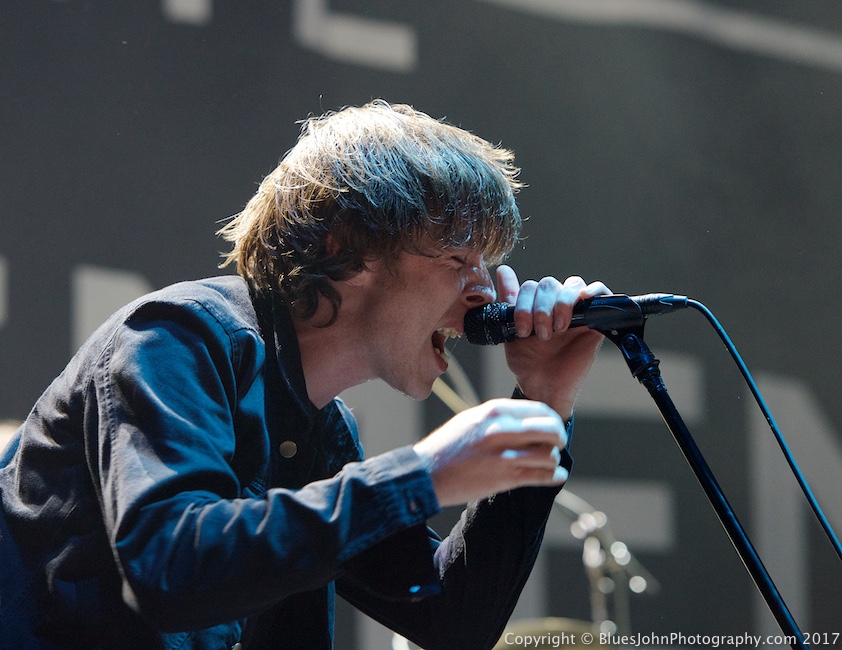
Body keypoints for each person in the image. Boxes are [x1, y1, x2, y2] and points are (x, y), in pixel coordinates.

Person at [0, 100, 609, 649]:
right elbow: (171, 568)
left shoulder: (321, 431)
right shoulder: (178, 338)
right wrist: (420, 475)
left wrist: (544, 399)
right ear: (345, 249)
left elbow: (455, 621)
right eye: (458, 259)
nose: (486, 294)